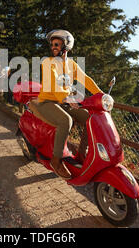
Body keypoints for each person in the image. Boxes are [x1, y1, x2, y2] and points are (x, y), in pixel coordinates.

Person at [35, 29, 104, 180]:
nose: (53, 46)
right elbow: (53, 84)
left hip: (65, 101)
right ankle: (56, 161)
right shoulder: (48, 63)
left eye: (57, 43)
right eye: (52, 44)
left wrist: (101, 94)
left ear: (66, 46)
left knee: (90, 119)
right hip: (47, 101)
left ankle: (81, 154)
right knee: (66, 121)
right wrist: (67, 97)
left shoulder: (71, 64)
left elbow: (85, 79)